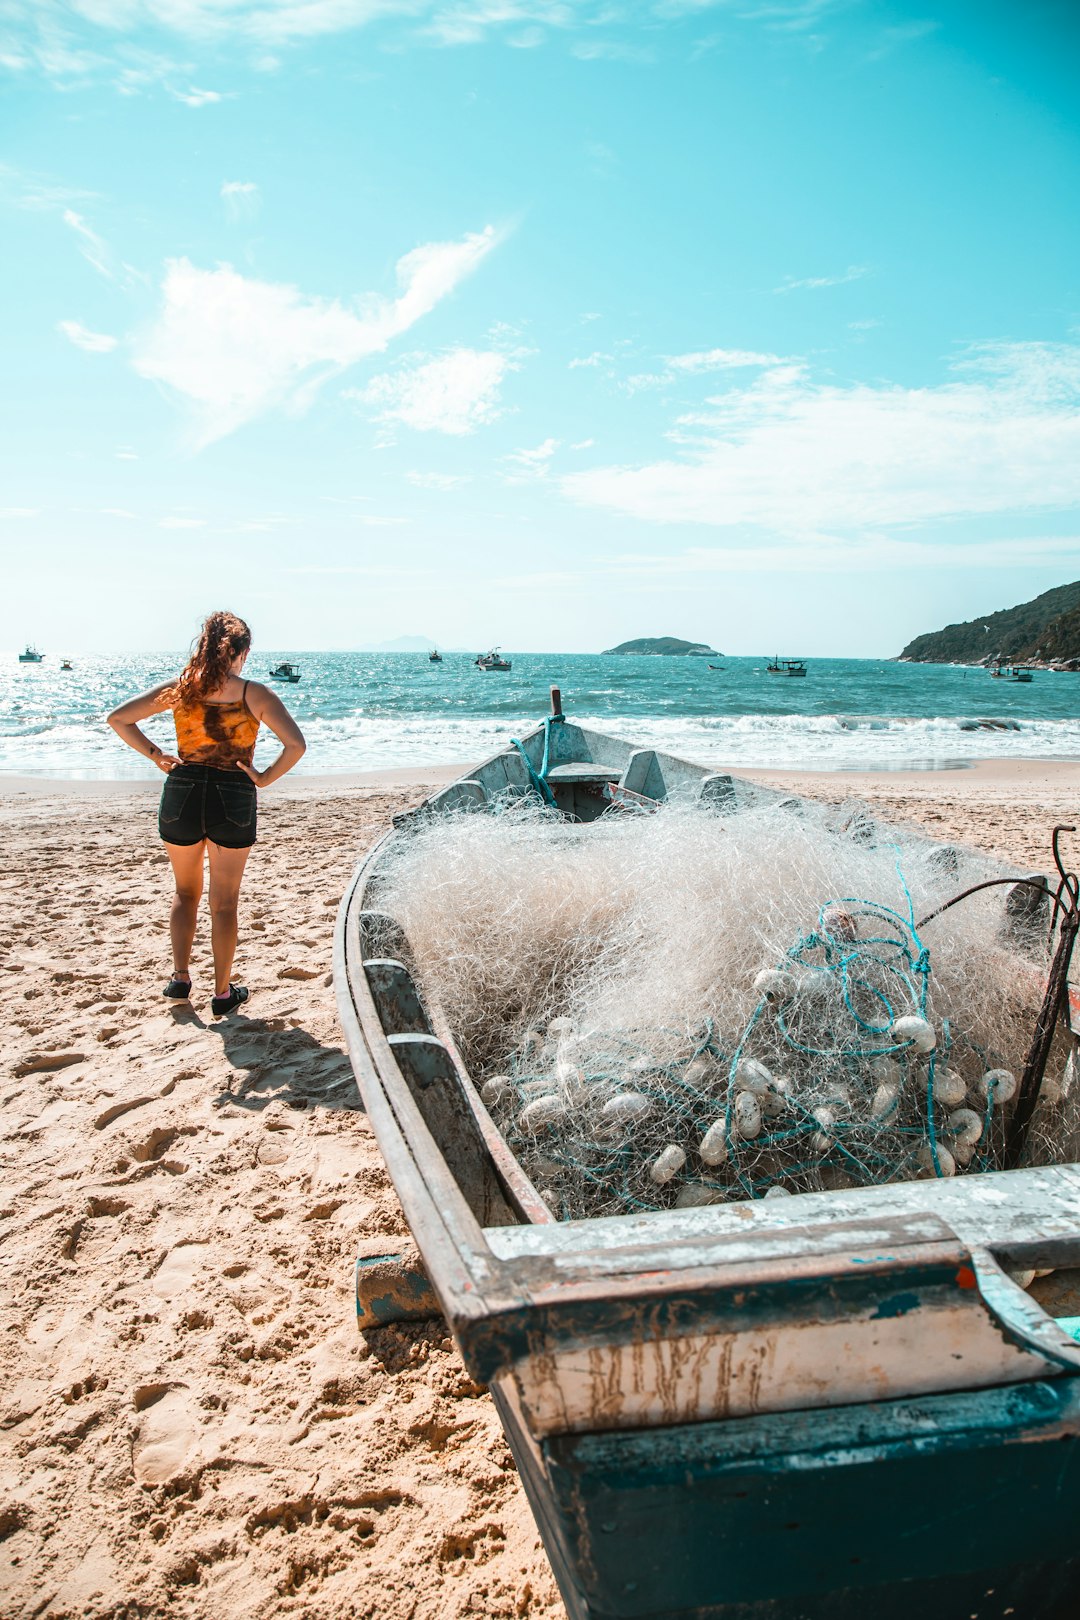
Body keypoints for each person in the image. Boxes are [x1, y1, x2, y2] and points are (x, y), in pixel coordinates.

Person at [108, 611, 306, 1016]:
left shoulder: (182, 688)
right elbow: (296, 746)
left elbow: (119, 719)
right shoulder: (255, 693)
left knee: (184, 893)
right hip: (232, 792)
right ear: (243, 651)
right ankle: (221, 992)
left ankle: (180, 979)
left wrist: (157, 756)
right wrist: (264, 778)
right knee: (224, 902)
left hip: (182, 788)